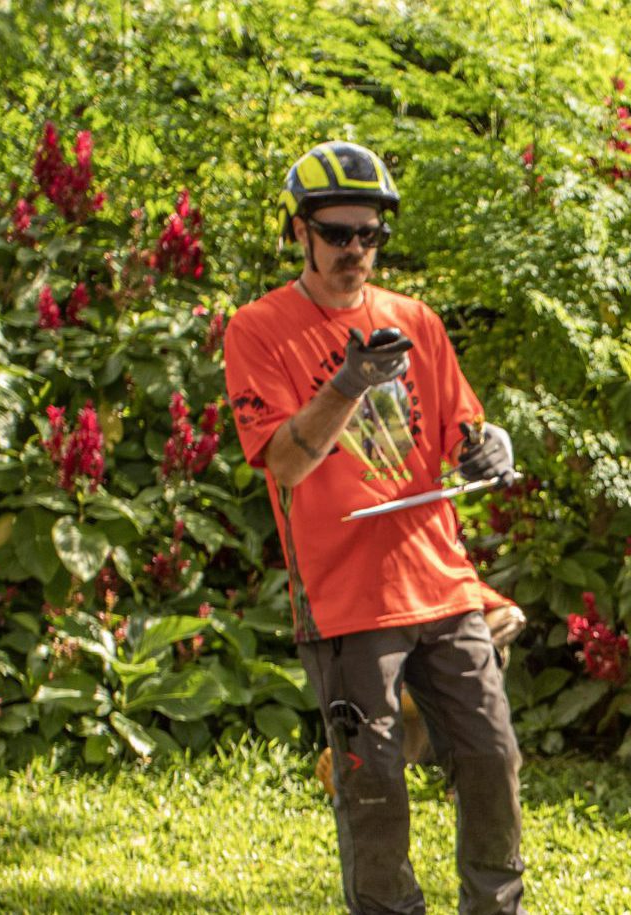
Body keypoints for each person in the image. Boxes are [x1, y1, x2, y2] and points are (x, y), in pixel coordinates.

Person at [222, 139, 526, 915]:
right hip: (347, 599)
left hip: (443, 580)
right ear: (300, 232)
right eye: (337, 233)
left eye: (370, 234)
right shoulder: (259, 330)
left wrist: (489, 447)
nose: (355, 250)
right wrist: (349, 380)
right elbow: (285, 464)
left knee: (493, 757)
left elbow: (465, 426)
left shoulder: (415, 321)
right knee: (375, 786)